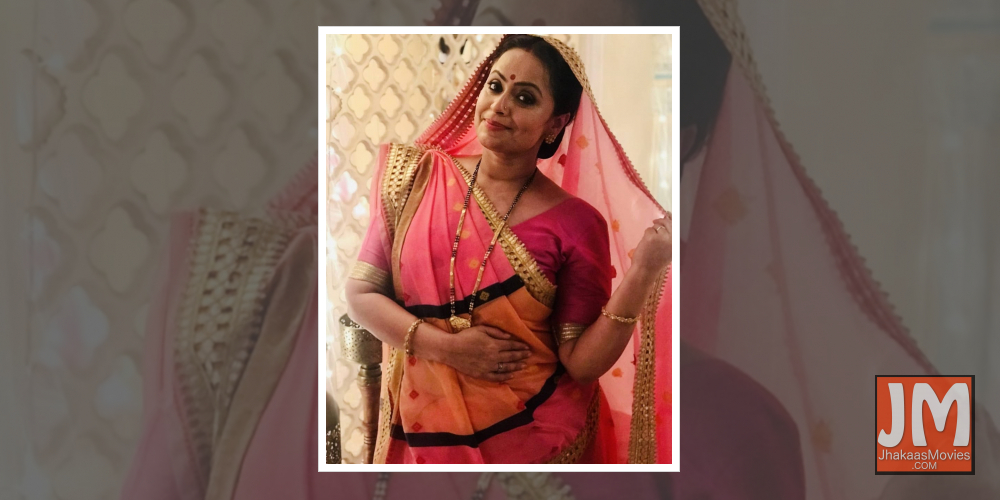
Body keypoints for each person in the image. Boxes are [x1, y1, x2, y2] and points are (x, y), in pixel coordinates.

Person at [345, 35, 673, 464]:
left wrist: (644, 271)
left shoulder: (576, 223)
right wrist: (448, 349)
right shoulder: (415, 179)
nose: (499, 105)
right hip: (423, 436)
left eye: (524, 98)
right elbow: (361, 295)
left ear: (555, 124)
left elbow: (581, 363)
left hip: (535, 445)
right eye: (495, 86)